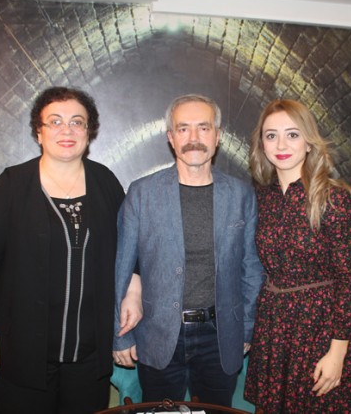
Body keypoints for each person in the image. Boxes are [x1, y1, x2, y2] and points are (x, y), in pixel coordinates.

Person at [0, 86, 125, 414]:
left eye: (77, 122)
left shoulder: (106, 182)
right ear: (39, 132)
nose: (66, 130)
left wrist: (134, 289)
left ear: (89, 132)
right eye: (55, 121)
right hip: (22, 353)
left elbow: (128, 249)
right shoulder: (12, 185)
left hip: (89, 356)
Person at [112, 94, 264, 407]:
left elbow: (251, 269)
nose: (194, 138)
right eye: (183, 129)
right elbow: (121, 266)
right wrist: (120, 333)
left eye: (203, 128)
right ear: (171, 137)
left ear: (218, 136)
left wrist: (247, 329)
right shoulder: (142, 193)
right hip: (158, 334)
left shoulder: (241, 195)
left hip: (220, 337)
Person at [243, 99, 351, 413]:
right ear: (262, 144)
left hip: (317, 327)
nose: (281, 145)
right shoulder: (260, 199)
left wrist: (337, 352)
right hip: (273, 325)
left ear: (309, 142)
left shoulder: (333, 198)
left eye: (293, 134)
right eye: (271, 136)